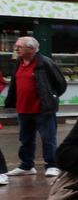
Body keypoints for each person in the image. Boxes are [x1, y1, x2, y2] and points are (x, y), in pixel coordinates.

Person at [5, 36, 66, 178]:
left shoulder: (45, 62)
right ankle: (26, 166)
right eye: (16, 46)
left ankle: (52, 165)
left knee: (48, 138)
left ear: (31, 49)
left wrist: (51, 97)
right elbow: (14, 84)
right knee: (25, 138)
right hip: (23, 109)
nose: (16, 49)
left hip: (42, 109)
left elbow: (60, 84)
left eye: (20, 46)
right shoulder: (18, 63)